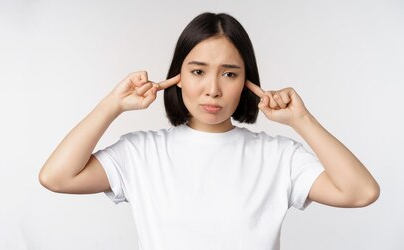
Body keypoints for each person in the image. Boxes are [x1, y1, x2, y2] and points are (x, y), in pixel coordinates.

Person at [39, 12, 379, 250]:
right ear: (178, 76)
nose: (213, 89)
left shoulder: (278, 157)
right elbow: (57, 177)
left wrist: (301, 120)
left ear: (248, 81)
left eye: (229, 74)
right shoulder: (142, 153)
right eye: (198, 71)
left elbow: (361, 192)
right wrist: (111, 105)